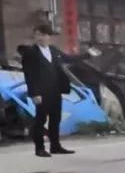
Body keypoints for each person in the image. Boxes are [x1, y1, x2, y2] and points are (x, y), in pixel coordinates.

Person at [19, 23, 91, 158]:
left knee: (55, 119)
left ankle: (55, 146)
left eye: (43, 35)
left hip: (55, 90)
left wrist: (87, 55)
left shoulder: (53, 50)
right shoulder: (31, 53)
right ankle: (39, 148)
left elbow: (69, 59)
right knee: (40, 120)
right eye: (37, 35)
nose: (40, 38)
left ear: (49, 36)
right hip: (41, 92)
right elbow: (29, 74)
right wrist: (34, 93)